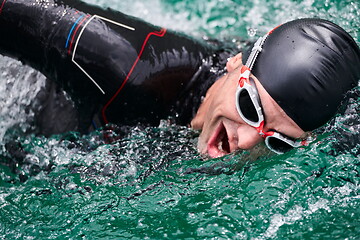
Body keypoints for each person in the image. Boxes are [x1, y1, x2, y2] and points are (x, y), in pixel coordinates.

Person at [0, 0, 359, 158]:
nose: (248, 141)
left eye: (278, 141)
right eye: (249, 107)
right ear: (236, 64)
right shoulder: (125, 63)